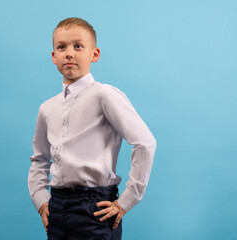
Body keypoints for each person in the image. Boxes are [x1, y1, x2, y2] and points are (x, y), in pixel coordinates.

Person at [28, 17, 156, 240]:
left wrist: (126, 201)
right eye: (61, 47)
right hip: (57, 207)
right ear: (53, 56)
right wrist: (41, 200)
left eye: (78, 46)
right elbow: (40, 160)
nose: (69, 53)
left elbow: (145, 143)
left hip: (95, 208)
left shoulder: (103, 95)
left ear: (94, 54)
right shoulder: (47, 108)